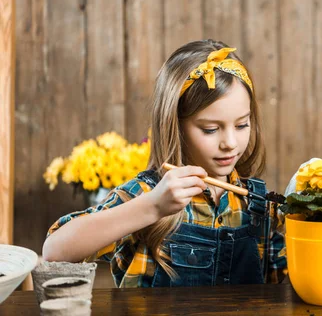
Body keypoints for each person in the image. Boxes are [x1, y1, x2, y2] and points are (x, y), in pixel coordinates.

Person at [43, 40, 286, 287]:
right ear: (175, 125)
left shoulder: (259, 206)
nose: (230, 143)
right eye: (211, 129)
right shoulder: (149, 194)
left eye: (242, 125)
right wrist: (152, 207)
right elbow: (54, 251)